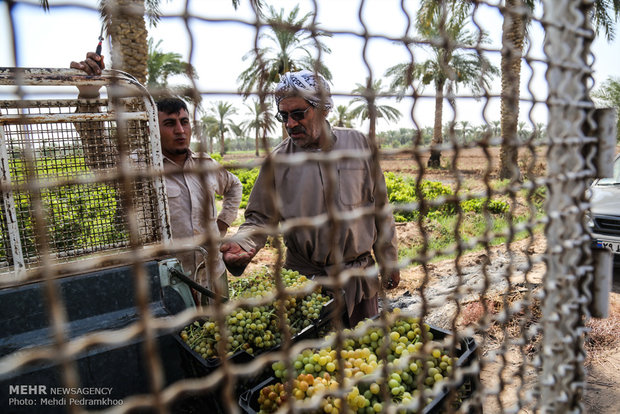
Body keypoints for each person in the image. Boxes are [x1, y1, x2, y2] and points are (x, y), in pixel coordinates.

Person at [220, 70, 400, 327]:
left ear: (323, 109)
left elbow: (380, 208)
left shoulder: (358, 145)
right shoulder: (277, 162)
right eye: (284, 116)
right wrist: (244, 242)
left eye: (298, 114)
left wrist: (389, 259)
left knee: (363, 356)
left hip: (360, 281)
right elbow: (259, 217)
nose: (290, 124)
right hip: (308, 287)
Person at [70, 52, 243, 305]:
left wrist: (223, 224)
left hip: (213, 275)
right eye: (170, 123)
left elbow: (234, 185)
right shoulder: (141, 168)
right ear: (153, 127)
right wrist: (89, 96)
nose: (180, 130)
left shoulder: (206, 165)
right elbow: (101, 159)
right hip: (171, 283)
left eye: (184, 122)